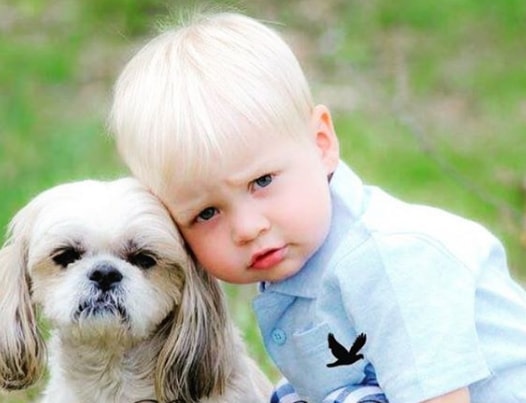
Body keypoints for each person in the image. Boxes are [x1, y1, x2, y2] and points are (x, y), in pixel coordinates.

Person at [109, 11, 526, 403]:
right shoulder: (300, 253)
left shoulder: (392, 263)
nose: (248, 228)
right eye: (206, 213)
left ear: (321, 144)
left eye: (262, 182)